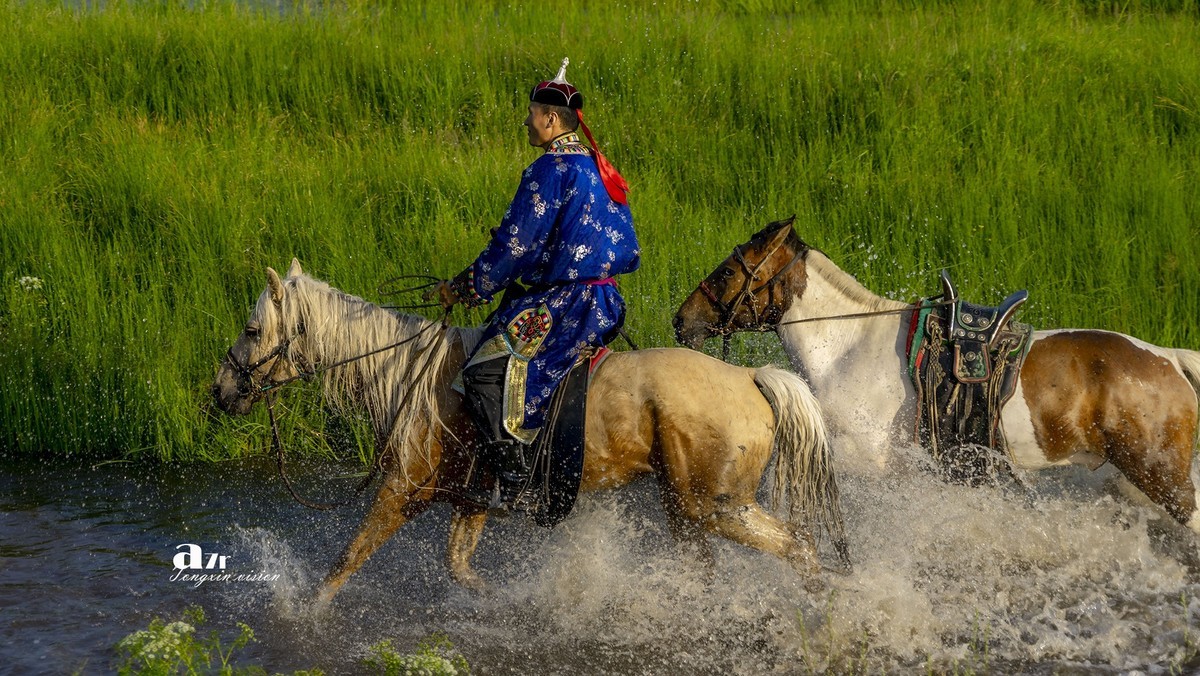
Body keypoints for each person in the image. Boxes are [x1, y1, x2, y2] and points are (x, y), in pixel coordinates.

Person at [431, 58, 640, 509]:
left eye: (531, 113)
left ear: (550, 119)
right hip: (606, 299)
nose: (525, 120)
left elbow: (513, 247)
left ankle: (518, 482)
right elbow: (626, 245)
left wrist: (465, 288)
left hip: (567, 302)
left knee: (485, 370)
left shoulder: (549, 169)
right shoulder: (598, 166)